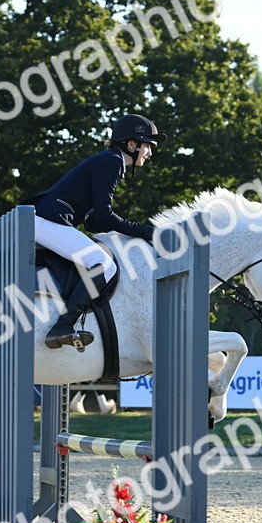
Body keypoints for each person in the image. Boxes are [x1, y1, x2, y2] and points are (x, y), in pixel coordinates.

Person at [26, 113, 166, 350]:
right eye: (148, 146)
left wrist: (125, 230)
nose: (150, 153)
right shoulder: (112, 162)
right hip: (46, 220)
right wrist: (146, 232)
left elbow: (94, 221)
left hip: (47, 218)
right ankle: (63, 326)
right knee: (104, 265)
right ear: (132, 145)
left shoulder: (110, 160)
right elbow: (104, 215)